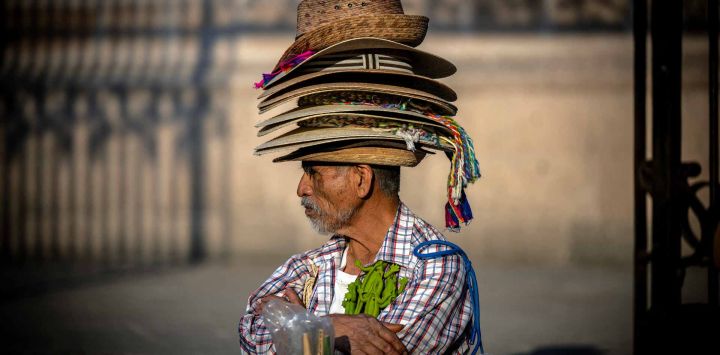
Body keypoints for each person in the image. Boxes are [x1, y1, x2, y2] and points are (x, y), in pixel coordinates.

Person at [238, 162, 474, 354]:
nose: (302, 189)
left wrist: (302, 328)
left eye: (314, 173)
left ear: (361, 178)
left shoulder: (436, 264)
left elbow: (390, 349)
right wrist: (326, 329)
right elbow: (250, 331)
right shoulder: (311, 264)